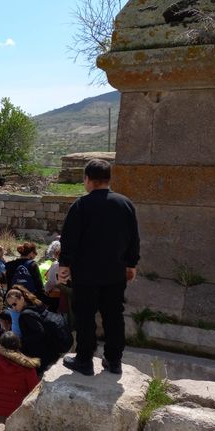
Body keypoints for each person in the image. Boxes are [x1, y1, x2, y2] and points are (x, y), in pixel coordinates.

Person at [60, 159, 140, 376]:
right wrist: (131, 264)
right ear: (108, 179)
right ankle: (114, 361)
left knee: (85, 316)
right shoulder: (125, 204)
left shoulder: (81, 205)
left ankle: (84, 360)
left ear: (88, 179)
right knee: (114, 316)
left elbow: (69, 239)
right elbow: (133, 238)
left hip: (86, 274)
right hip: (115, 272)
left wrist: (64, 265)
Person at [0, 331, 40, 418]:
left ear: (0, 344)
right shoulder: (27, 367)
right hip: (14, 410)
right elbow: (34, 391)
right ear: (18, 345)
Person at [6, 285, 60, 374]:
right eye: (11, 306)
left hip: (41, 356)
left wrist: (23, 341)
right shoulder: (36, 303)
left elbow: (39, 332)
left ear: (22, 298)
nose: (14, 308)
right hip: (51, 349)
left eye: (14, 304)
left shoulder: (25, 315)